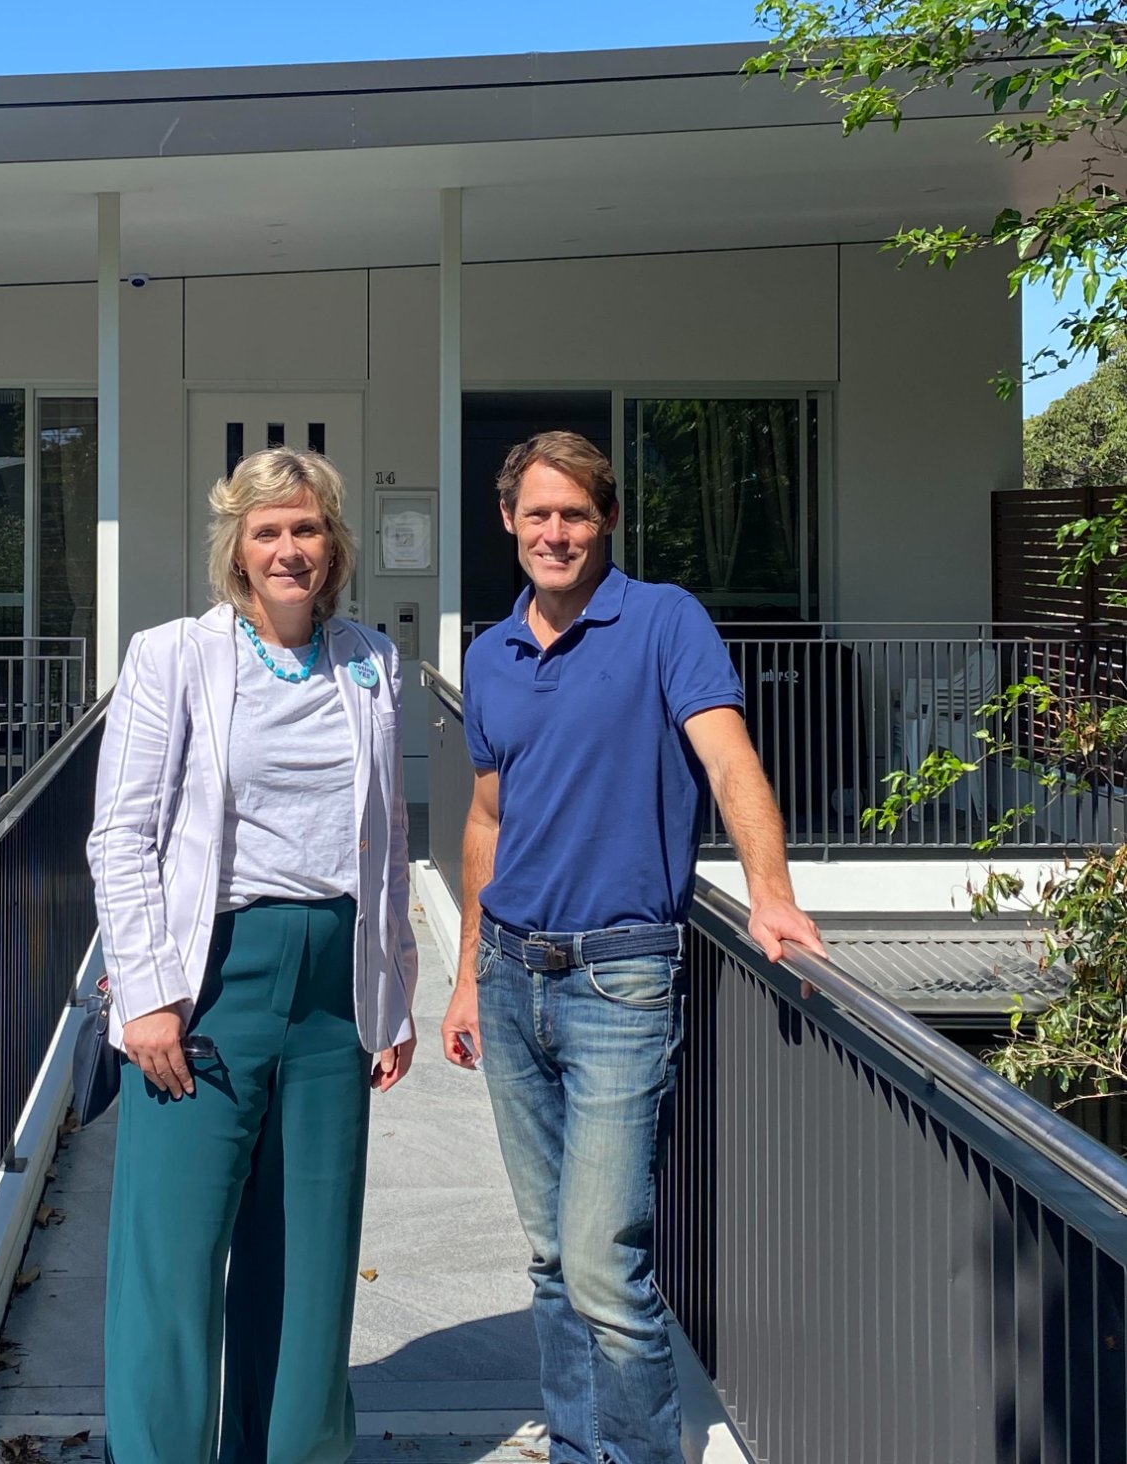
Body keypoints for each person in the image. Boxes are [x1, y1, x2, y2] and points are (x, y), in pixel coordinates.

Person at [439, 430, 825, 1464]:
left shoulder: (663, 619)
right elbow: (486, 820)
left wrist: (772, 895)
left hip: (621, 972)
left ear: (606, 519)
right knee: (551, 1258)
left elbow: (731, 762)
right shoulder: (489, 651)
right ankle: (578, 1447)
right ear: (509, 522)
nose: (554, 531)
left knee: (607, 1261)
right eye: (536, 513)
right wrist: (467, 976)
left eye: (575, 513)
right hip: (512, 973)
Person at [87, 446, 418, 1464]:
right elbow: (121, 832)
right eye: (268, 530)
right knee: (175, 1258)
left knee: (309, 1255)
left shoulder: (371, 660)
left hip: (331, 984)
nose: (289, 547)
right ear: (236, 547)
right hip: (211, 976)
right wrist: (144, 995)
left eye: (307, 528)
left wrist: (394, 990)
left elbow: (389, 835)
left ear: (336, 545)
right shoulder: (174, 656)